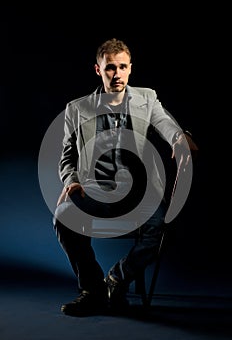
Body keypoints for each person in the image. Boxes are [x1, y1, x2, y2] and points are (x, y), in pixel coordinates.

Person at [53, 38, 198, 316]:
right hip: (96, 189)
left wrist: (179, 137)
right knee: (63, 216)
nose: (116, 74)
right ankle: (93, 290)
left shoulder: (147, 98)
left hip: (142, 192)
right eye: (110, 68)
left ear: (130, 68)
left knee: (158, 228)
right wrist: (71, 178)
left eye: (122, 67)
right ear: (98, 70)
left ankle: (116, 279)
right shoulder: (77, 109)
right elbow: (67, 155)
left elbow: (165, 123)